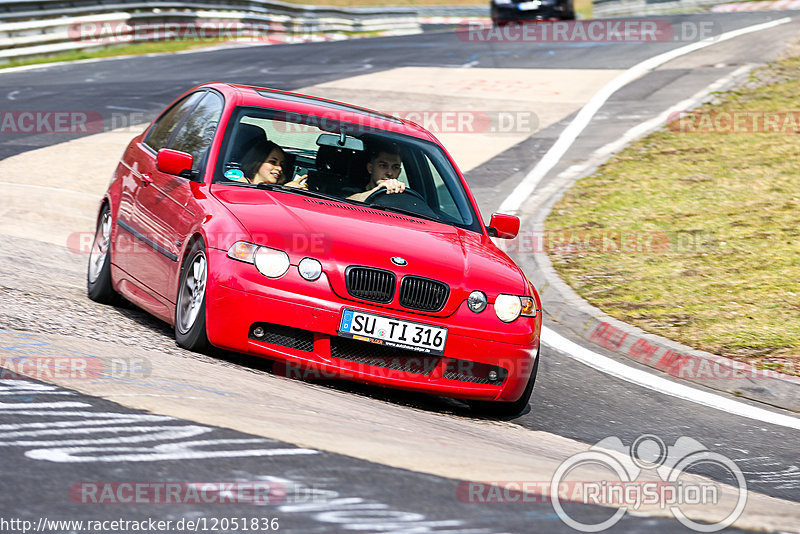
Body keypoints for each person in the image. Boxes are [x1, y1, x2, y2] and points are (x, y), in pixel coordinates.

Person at [240, 139, 307, 188]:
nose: (279, 168)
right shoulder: (239, 183)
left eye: (281, 164)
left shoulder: (273, 188)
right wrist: (284, 190)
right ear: (257, 162)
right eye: (273, 162)